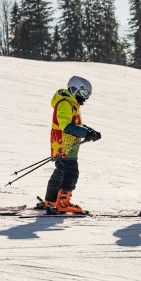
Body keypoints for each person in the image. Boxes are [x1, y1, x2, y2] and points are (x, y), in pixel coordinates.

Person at [43, 76, 101, 214]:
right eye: (85, 93)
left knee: (60, 172)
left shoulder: (71, 103)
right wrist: (85, 133)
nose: (85, 98)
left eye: (88, 95)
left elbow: (75, 124)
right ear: (76, 89)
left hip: (66, 145)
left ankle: (51, 201)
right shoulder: (65, 103)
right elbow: (66, 126)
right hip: (64, 144)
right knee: (71, 172)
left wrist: (89, 131)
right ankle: (63, 203)